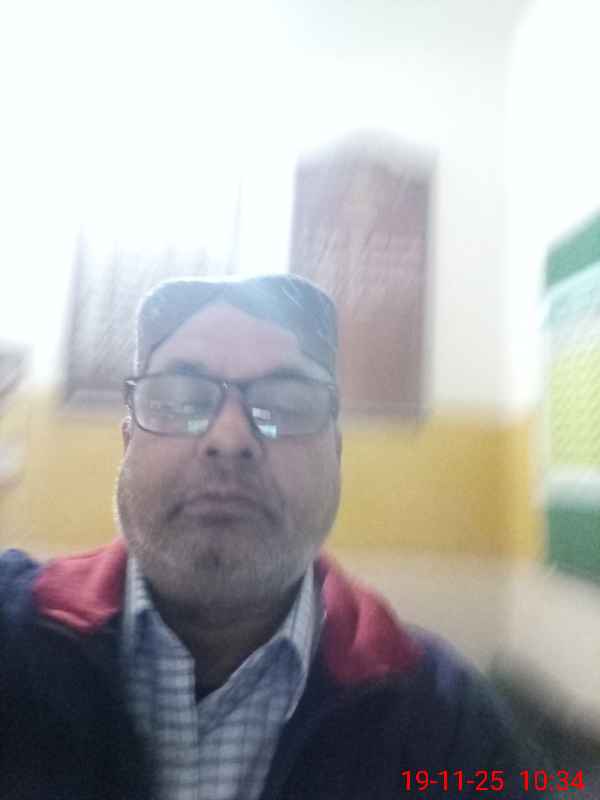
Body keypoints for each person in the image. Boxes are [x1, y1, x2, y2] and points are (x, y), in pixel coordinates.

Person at [0, 274, 543, 799]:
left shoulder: (447, 724)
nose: (229, 437)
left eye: (285, 406)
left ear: (335, 452)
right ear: (128, 441)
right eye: (181, 400)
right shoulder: (14, 635)